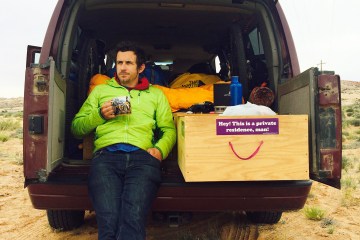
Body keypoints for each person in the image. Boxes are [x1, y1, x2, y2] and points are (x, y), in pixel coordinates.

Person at [71, 41, 177, 240]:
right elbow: (76, 128)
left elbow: (169, 129)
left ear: (141, 68)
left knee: (133, 220)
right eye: (119, 62)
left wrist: (159, 150)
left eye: (128, 63)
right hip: (106, 158)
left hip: (142, 159)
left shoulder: (155, 94)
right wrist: (100, 115)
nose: (122, 67)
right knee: (108, 221)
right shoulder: (101, 91)